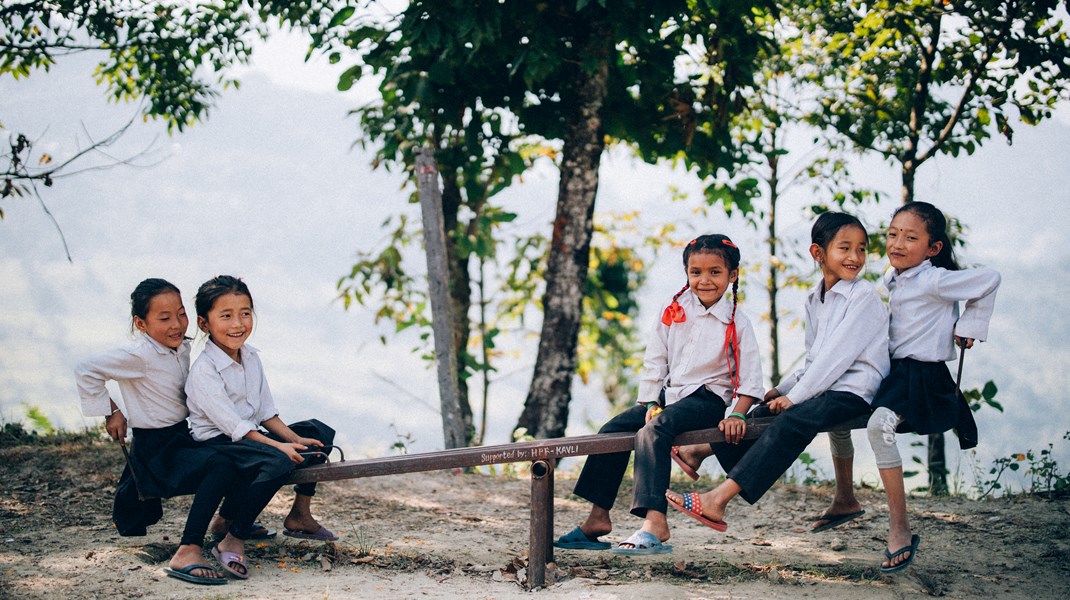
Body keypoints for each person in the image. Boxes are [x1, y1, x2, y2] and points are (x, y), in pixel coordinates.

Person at [666, 213, 889, 535]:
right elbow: (816, 357)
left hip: (855, 388)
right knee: (761, 411)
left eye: (862, 249)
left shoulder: (863, 296)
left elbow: (836, 359)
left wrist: (795, 397)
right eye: (845, 248)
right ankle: (700, 452)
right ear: (818, 253)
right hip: (826, 385)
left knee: (794, 418)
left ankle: (718, 499)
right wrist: (783, 389)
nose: (855, 257)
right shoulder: (817, 298)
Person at [553, 234, 764, 555]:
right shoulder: (674, 311)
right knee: (613, 430)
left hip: (707, 399)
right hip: (669, 397)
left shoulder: (738, 322)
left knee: (654, 432)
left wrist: (738, 412)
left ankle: (655, 522)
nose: (704, 280)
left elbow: (751, 378)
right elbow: (656, 360)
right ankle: (597, 518)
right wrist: (652, 401)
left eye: (714, 272)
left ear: (732, 275)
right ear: (687, 274)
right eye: (696, 272)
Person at [867, 201, 1000, 573]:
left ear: (933, 248)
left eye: (911, 238)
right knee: (837, 406)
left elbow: (990, 278)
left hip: (920, 377)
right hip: (889, 372)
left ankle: (899, 529)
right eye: (893, 234)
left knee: (878, 427)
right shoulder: (890, 279)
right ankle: (844, 498)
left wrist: (969, 324)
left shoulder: (934, 279)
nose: (897, 243)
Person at [75, 278, 233, 586]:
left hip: (183, 437)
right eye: (164, 318)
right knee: (221, 464)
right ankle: (189, 548)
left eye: (181, 313)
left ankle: (230, 521)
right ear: (141, 323)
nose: (176, 324)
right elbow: (85, 369)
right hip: (158, 451)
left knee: (238, 451)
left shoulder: (180, 346)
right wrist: (113, 410)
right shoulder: (138, 355)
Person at [185, 275, 337, 579]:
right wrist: (280, 447)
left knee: (318, 433)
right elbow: (235, 427)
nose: (238, 323)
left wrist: (295, 439)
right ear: (204, 324)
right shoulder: (204, 370)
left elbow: (266, 412)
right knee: (277, 459)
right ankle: (232, 536)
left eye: (245, 313)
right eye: (226, 316)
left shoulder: (251, 357)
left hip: (247, 437)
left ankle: (298, 516)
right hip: (218, 443)